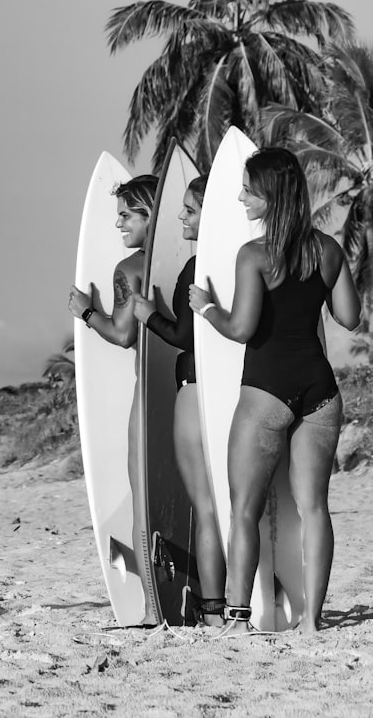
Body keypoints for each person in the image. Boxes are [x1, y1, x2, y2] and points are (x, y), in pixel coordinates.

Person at [189, 147, 360, 635]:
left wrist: (206, 308)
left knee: (244, 508)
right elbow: (350, 317)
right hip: (320, 390)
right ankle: (312, 620)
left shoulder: (255, 255)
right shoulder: (328, 250)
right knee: (314, 509)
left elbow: (242, 329)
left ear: (271, 194)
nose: (241, 197)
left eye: (248, 189)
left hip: (266, 391)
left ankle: (238, 620)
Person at [131, 174, 226, 627]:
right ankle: (246, 603)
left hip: (194, 391)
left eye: (189, 210)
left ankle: (212, 611)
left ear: (210, 214)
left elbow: (186, 336)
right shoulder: (236, 261)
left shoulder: (197, 265)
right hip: (235, 392)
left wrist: (150, 316)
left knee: (205, 506)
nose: (181, 218)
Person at [68, 173, 159, 625]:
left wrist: (87, 312)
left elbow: (124, 334)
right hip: (193, 389)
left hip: (151, 394)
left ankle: (149, 606)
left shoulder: (131, 270)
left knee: (142, 499)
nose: (119, 225)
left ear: (148, 215)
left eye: (126, 215)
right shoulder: (190, 262)